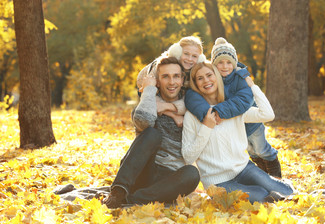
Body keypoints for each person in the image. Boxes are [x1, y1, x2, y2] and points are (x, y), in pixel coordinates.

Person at [181, 62, 294, 203]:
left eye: (209, 75)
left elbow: (267, 114)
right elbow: (188, 157)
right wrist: (206, 127)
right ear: (196, 84)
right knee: (262, 196)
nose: (206, 81)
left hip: (244, 169)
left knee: (286, 192)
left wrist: (252, 86)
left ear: (217, 77)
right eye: (200, 78)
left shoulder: (232, 107)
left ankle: (311, 191)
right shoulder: (192, 116)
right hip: (217, 183)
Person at [102, 57, 200, 209]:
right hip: (142, 171)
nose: (172, 82)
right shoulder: (147, 103)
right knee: (152, 134)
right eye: (165, 76)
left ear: (182, 80)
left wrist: (170, 110)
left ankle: (134, 199)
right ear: (158, 82)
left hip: (168, 180)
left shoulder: (192, 107)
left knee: (192, 174)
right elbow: (144, 120)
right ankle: (118, 192)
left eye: (176, 76)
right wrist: (148, 90)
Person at [184, 37, 282, 178]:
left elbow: (242, 100)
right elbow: (193, 98)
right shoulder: (213, 79)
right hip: (236, 125)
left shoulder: (240, 77)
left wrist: (218, 111)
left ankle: (276, 176)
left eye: (229, 62)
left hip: (252, 123)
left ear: (234, 63)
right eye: (220, 63)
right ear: (214, 65)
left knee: (261, 150)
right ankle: (265, 177)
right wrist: (207, 114)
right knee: (253, 153)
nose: (225, 66)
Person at [136, 36, 206, 127]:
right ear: (178, 52)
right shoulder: (161, 66)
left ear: (199, 59)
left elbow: (191, 101)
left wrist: (168, 107)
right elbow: (153, 101)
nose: (189, 59)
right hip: (147, 88)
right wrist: (173, 115)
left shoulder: (195, 72)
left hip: (172, 97)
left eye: (194, 56)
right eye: (186, 54)